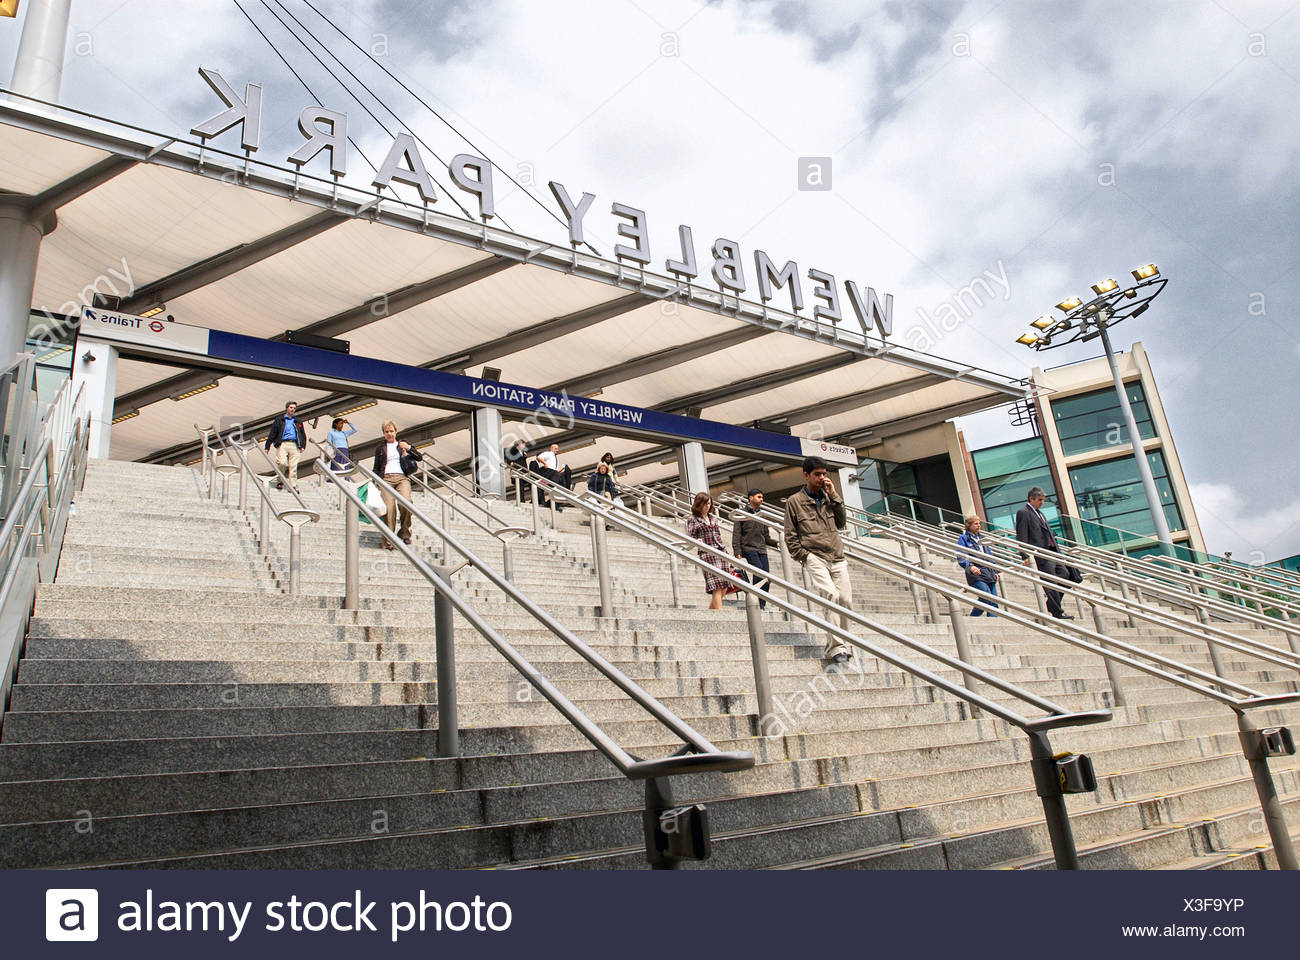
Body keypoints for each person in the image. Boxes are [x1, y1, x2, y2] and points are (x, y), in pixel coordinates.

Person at [784, 456, 854, 664]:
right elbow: (790, 534)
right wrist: (804, 555)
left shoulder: (829, 497)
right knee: (830, 595)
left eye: (824, 474)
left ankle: (845, 642)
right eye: (817, 474)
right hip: (815, 556)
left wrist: (834, 496)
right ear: (806, 475)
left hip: (837, 555)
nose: (821, 478)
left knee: (845, 600)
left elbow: (841, 523)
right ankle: (837, 647)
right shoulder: (794, 502)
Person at [1015, 486, 1076, 619]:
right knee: (1050, 582)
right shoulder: (1023, 512)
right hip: (1040, 554)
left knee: (1065, 574)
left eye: (1043, 500)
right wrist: (1025, 555)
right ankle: (1057, 612)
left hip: (1052, 552)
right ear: (1031, 499)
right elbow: (1022, 535)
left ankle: (1052, 604)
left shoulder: (1039, 513)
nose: (1042, 503)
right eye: (1039, 500)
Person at [686, 492, 740, 610]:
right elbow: (690, 536)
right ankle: (720, 615)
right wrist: (697, 541)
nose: (707, 506)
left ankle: (711, 612)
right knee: (717, 585)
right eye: (705, 504)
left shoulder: (713, 518)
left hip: (721, 552)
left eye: (709, 503)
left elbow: (718, 535)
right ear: (698, 504)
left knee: (725, 585)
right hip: (707, 553)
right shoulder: (693, 519)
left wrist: (726, 554)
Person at [372, 420, 422, 549]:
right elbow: (376, 467)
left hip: (402, 478)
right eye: (387, 432)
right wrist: (375, 482)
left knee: (406, 502)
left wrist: (409, 448)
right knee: (389, 509)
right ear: (384, 433)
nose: (389, 434)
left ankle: (405, 533)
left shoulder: (402, 444)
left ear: (396, 432)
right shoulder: (380, 448)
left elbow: (419, 457)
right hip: (385, 479)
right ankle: (389, 540)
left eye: (391, 431)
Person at [732, 488, 777, 609]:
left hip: (762, 549)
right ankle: (755, 601)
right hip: (749, 548)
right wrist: (737, 552)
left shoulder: (762, 515)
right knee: (759, 573)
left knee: (766, 577)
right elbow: (737, 534)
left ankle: (762, 604)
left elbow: (766, 537)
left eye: (762, 497)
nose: (761, 499)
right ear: (750, 498)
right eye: (759, 497)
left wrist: (777, 543)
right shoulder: (741, 513)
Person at [956, 515, 1000, 617]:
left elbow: (989, 555)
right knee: (986, 597)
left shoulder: (982, 538)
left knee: (994, 601)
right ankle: (973, 617)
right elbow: (960, 555)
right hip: (976, 573)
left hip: (989, 572)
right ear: (968, 525)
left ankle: (993, 621)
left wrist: (996, 570)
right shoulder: (964, 538)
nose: (979, 525)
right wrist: (970, 566)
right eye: (976, 523)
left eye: (979, 523)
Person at [264, 400, 307, 490]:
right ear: (287, 408)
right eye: (291, 407)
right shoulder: (280, 419)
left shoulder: (297, 420)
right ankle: (280, 481)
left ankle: (293, 485)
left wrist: (303, 445)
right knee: (282, 463)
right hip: (283, 444)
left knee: (293, 466)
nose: (292, 409)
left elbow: (302, 434)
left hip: (295, 445)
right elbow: (273, 432)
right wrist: (268, 445)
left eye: (294, 408)